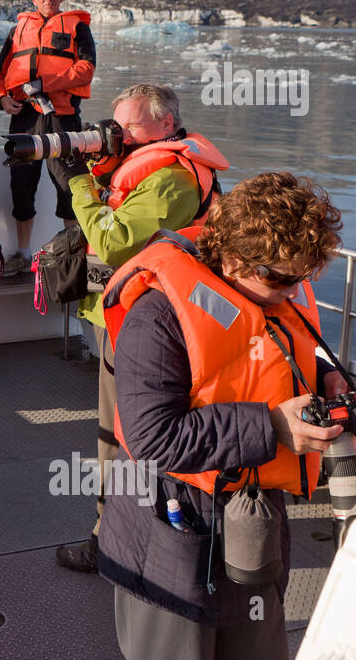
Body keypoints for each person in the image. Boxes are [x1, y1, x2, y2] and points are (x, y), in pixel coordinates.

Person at [98, 172, 349, 660]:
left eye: (300, 279)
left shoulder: (268, 296)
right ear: (233, 258)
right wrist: (272, 426)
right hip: (172, 526)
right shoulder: (158, 317)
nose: (290, 292)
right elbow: (152, 437)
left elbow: (278, 352)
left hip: (251, 523)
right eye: (280, 279)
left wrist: (330, 382)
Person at [55, 84, 229, 573]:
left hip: (139, 323)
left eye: (131, 126)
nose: (120, 134)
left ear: (167, 125)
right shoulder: (162, 167)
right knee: (130, 434)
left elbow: (113, 243)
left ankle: (110, 541)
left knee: (120, 435)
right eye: (118, 125)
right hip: (133, 315)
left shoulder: (171, 179)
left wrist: (78, 186)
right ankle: (138, 535)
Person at [0, 0, 96, 275]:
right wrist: (1, 99)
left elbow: (86, 68)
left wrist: (45, 83)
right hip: (23, 117)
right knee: (21, 186)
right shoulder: (17, 31)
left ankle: (73, 256)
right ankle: (22, 254)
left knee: (69, 184)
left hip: (62, 117)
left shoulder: (78, 27)